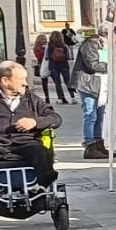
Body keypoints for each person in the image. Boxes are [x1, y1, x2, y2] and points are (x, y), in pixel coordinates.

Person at [0, 62, 60, 184]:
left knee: (40, 152)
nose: (25, 83)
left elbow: (55, 118)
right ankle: (10, 156)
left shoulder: (32, 99)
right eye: (20, 79)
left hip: (26, 143)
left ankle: (42, 186)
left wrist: (35, 122)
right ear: (5, 81)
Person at [73, 29, 108, 158]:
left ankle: (99, 143)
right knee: (90, 115)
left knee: (99, 115)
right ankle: (90, 145)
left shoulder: (103, 45)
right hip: (87, 84)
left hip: (99, 84)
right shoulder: (91, 44)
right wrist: (112, 65)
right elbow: (92, 64)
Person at [44, 30, 74, 105]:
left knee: (57, 83)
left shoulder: (49, 45)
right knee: (68, 82)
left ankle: (60, 98)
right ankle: (72, 97)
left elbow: (46, 57)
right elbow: (68, 56)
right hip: (64, 65)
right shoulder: (64, 45)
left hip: (53, 65)